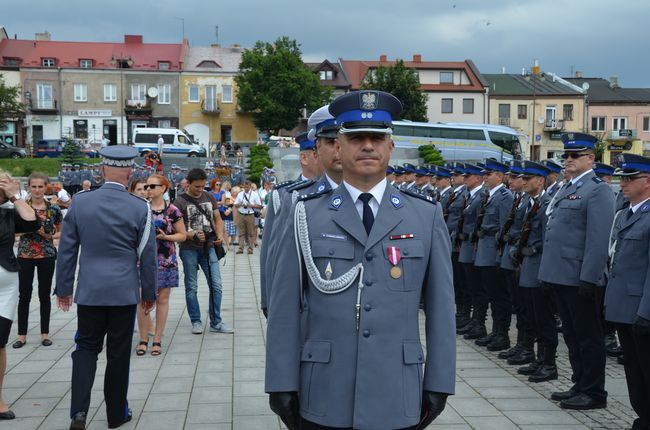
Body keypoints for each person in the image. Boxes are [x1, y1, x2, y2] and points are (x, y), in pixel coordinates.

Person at [265, 90, 455, 430]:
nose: (367, 146)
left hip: (396, 391)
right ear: (338, 147)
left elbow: (442, 309)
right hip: (324, 390)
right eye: (356, 138)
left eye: (377, 138)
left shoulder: (424, 215)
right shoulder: (305, 214)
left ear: (390, 147)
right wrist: (280, 382)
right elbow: (283, 307)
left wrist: (440, 382)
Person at [55, 146, 157, 429]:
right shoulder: (140, 207)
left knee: (86, 348)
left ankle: (78, 412)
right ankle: (115, 415)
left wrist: (63, 288)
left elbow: (67, 250)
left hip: (90, 291)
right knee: (118, 354)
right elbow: (148, 257)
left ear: (101, 170)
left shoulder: (80, 202)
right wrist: (148, 294)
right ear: (129, 172)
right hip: (123, 293)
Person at [538, 132, 615, 410]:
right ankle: (580, 382)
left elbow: (597, 240)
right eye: (565, 155)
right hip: (561, 275)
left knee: (588, 337)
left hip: (580, 277)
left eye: (574, 155)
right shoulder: (566, 187)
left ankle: (594, 392)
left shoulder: (597, 190)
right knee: (571, 336)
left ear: (590, 158)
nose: (567, 160)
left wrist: (589, 278)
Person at [605, 153, 650, 430]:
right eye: (622, 178)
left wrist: (646, 312)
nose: (623, 183)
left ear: (647, 181)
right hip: (623, 307)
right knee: (633, 369)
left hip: (642, 310)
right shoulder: (625, 214)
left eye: (630, 179)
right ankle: (643, 416)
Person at [174, 168, 233, 334]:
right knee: (191, 286)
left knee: (217, 285)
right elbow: (175, 229)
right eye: (197, 187)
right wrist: (190, 235)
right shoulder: (179, 202)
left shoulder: (209, 197)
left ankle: (216, 321)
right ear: (188, 183)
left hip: (209, 247)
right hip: (189, 249)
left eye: (203, 186)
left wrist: (220, 235)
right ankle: (196, 320)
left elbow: (218, 219)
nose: (200, 190)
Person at [0, 170, 39, 421]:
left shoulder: (8, 212)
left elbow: (33, 221)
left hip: (6, 285)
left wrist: (16, 196)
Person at [514, 161, 558, 382]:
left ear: (540, 181)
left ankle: (549, 363)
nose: (523, 182)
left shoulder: (547, 204)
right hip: (528, 266)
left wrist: (534, 248)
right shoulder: (529, 202)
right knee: (532, 314)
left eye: (527, 178)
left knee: (544, 317)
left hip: (540, 266)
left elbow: (549, 237)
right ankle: (539, 359)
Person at [135, 175, 186, 356]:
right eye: (146, 186)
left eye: (152, 186)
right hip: (143, 260)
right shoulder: (140, 209)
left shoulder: (172, 210)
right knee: (142, 300)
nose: (148, 189)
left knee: (163, 300)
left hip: (166, 260)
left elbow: (182, 235)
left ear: (163, 188)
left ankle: (157, 339)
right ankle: (143, 339)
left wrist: (166, 237)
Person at [12, 172, 63, 349]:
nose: (37, 190)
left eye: (40, 186)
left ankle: (45, 333)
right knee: (24, 295)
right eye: (33, 186)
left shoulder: (53, 208)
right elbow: (12, 231)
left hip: (47, 255)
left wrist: (47, 233)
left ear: (46, 187)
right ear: (29, 188)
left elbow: (59, 232)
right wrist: (30, 229)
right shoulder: (20, 207)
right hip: (25, 255)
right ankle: (21, 335)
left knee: (44, 295)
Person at [457, 164, 488, 340]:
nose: (465, 179)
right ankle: (471, 319)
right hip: (467, 246)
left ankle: (478, 322)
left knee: (477, 288)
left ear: (478, 178)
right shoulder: (470, 196)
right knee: (467, 285)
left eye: (468, 176)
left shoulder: (480, 196)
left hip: (476, 247)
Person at [234, 180, 262, 254]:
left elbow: (259, 206)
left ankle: (250, 249)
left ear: (250, 187)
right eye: (245, 187)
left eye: (247, 187)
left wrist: (251, 205)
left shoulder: (254, 194)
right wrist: (240, 203)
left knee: (250, 233)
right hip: (241, 214)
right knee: (241, 232)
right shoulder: (240, 194)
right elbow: (235, 204)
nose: (246, 188)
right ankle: (240, 249)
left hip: (250, 214)